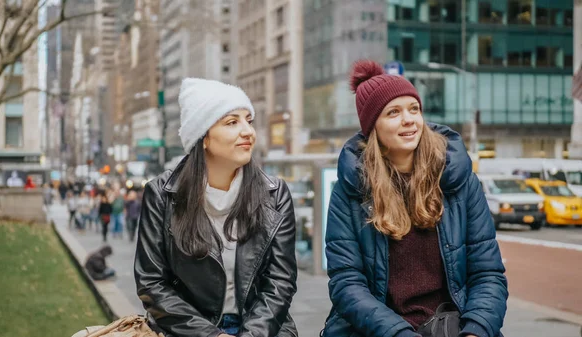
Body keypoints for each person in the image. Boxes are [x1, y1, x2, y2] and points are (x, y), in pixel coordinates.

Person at [322, 60, 508, 337]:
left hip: (452, 326)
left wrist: (476, 330)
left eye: (414, 109)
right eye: (393, 112)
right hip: (378, 330)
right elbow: (347, 284)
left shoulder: (459, 179)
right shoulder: (350, 189)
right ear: (374, 127)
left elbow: (487, 273)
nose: (409, 119)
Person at [135, 78, 298, 337]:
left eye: (249, 120)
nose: (248, 131)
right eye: (232, 122)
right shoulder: (162, 194)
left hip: (263, 330)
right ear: (203, 139)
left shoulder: (274, 193)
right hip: (187, 331)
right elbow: (152, 283)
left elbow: (280, 282)